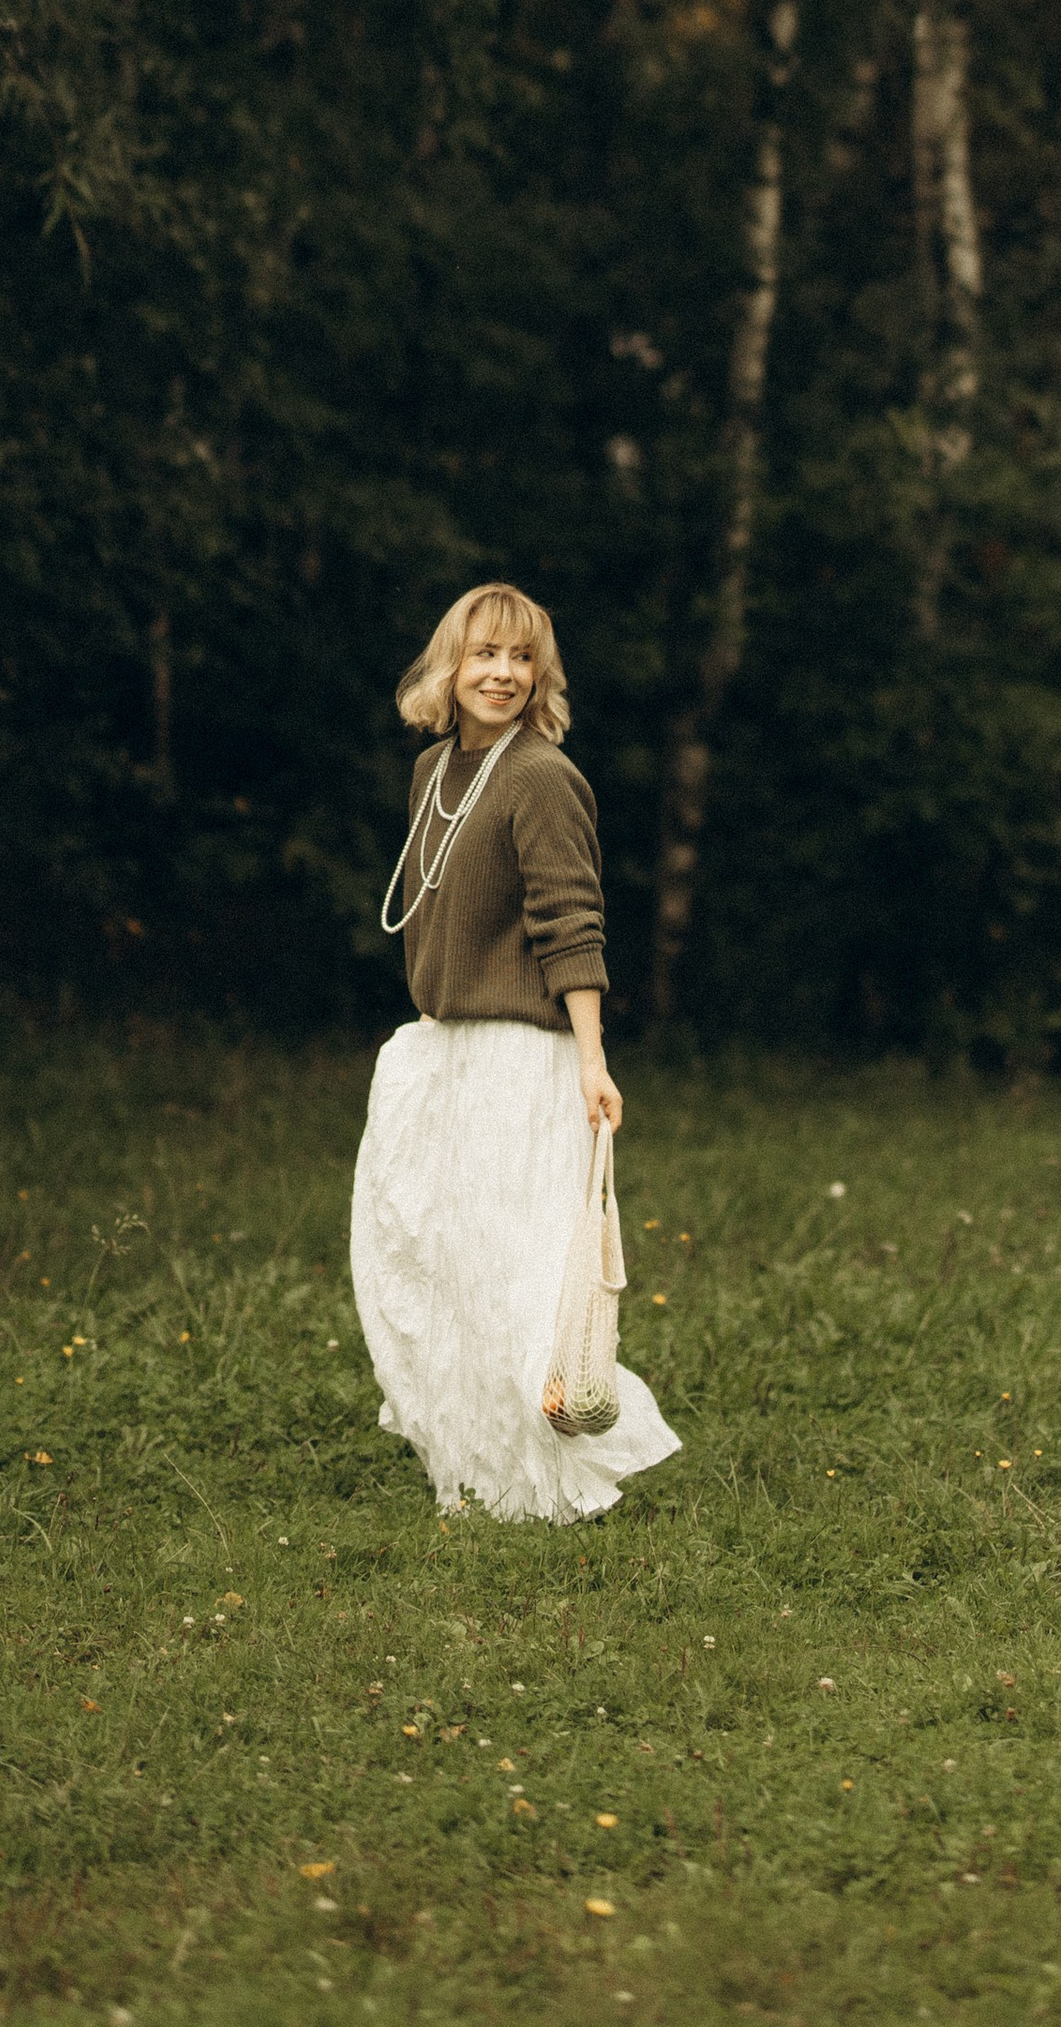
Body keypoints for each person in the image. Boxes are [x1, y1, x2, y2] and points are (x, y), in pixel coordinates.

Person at [349, 580, 679, 1523]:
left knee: (510, 1275)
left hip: (519, 1059)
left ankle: (545, 1483)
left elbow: (571, 922)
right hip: (440, 1052)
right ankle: (474, 1469)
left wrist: (591, 1060)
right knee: (429, 1267)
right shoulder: (434, 773)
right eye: (484, 654)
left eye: (521, 658)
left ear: (540, 676)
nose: (501, 673)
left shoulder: (539, 775)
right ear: (448, 667)